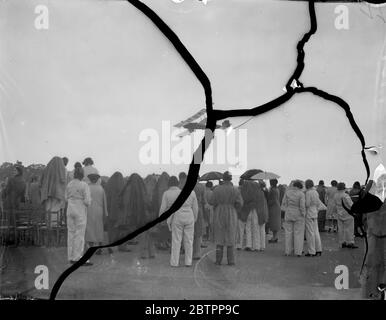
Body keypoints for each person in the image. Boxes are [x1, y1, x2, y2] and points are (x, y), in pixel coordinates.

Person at [159, 176, 198, 267]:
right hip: (189, 216)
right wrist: (194, 219)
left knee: (176, 240)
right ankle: (188, 262)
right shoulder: (192, 193)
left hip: (178, 216)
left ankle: (174, 262)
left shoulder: (174, 193)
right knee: (189, 240)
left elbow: (166, 207)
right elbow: (196, 208)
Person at [208, 171, 243, 265]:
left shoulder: (217, 189)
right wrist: (235, 210)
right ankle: (231, 261)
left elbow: (211, 201)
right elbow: (240, 203)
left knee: (219, 237)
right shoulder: (235, 190)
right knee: (231, 236)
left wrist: (218, 204)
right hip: (231, 212)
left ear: (223, 178)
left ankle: (218, 260)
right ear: (231, 178)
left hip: (219, 212)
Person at [65, 167, 92, 265]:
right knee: (79, 234)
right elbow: (87, 201)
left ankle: (71, 257)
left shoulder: (69, 184)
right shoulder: (84, 185)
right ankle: (77, 257)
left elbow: (65, 198)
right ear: (82, 175)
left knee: (71, 233)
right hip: (80, 210)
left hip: (70, 209)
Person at [117, 173, 147, 251]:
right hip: (128, 214)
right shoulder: (133, 189)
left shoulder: (127, 187)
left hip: (126, 213)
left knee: (125, 229)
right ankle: (123, 247)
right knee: (125, 230)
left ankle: (123, 246)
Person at [281, 180, 306, 257]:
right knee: (298, 233)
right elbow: (302, 206)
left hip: (288, 214)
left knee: (288, 233)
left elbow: (283, 203)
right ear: (300, 187)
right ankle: (298, 252)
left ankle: (287, 251)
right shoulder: (301, 194)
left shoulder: (287, 193)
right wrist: (303, 214)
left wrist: (287, 210)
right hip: (298, 215)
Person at [85, 173, 108, 255]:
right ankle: (99, 248)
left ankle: (91, 248)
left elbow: (84, 201)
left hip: (89, 210)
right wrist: (106, 213)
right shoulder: (101, 188)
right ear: (97, 179)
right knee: (99, 228)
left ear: (90, 179)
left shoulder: (87, 188)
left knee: (90, 229)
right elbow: (104, 201)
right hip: (99, 211)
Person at [3, 165, 26, 243]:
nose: (13, 172)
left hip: (10, 202)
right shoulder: (23, 181)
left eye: (15, 171)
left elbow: (6, 191)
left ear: (19, 171)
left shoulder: (11, 180)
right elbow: (23, 195)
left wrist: (3, 191)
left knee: (9, 222)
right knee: (16, 221)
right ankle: (17, 239)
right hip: (17, 203)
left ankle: (9, 239)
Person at [333, 182, 358, 249]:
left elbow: (335, 205)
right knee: (349, 229)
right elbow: (351, 205)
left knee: (341, 229)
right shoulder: (345, 195)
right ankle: (350, 242)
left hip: (339, 214)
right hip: (348, 214)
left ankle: (342, 242)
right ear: (344, 187)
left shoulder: (335, 195)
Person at [105, 172, 125, 250]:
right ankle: (121, 246)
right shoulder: (122, 187)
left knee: (111, 229)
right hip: (119, 212)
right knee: (120, 229)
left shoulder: (108, 186)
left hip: (109, 211)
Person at [152, 172, 170, 250]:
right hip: (164, 211)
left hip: (159, 211)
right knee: (164, 228)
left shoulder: (157, 187)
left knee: (162, 228)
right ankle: (162, 243)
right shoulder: (166, 188)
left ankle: (161, 242)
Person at [304, 179, 322, 256]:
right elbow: (318, 203)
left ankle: (311, 251)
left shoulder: (308, 193)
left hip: (309, 213)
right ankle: (319, 249)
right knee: (316, 232)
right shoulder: (315, 192)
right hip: (315, 212)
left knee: (310, 233)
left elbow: (307, 204)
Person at [236, 179, 252, 250]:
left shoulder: (238, 191)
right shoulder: (249, 191)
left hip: (240, 212)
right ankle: (248, 245)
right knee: (248, 229)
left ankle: (239, 245)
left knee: (240, 230)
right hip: (248, 211)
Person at [193, 179, 206, 260]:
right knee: (198, 232)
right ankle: (197, 253)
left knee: (190, 231)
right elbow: (204, 200)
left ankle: (188, 251)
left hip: (189, 210)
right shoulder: (201, 187)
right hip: (199, 209)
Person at [255, 181, 269, 251]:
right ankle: (262, 246)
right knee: (262, 230)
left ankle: (257, 246)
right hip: (264, 211)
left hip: (258, 212)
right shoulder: (266, 193)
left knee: (257, 229)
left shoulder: (257, 193)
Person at [267, 179, 281, 243]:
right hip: (277, 206)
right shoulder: (277, 189)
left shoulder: (273, 190)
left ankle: (274, 237)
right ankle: (275, 236)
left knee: (273, 222)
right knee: (275, 222)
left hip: (273, 207)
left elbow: (272, 200)